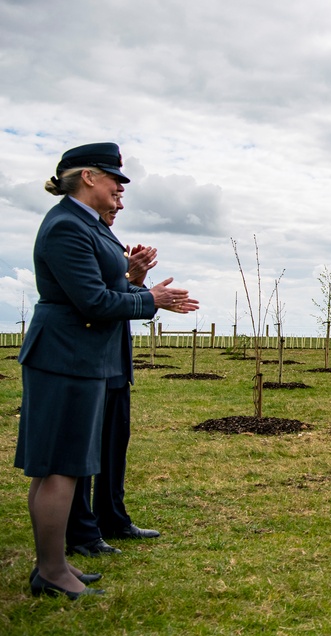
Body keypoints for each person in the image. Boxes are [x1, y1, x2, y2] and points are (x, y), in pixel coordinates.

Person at [16, 142, 198, 599]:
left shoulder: (85, 225)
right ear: (89, 177)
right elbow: (93, 301)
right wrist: (149, 300)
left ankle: (55, 566)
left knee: (63, 467)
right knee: (58, 468)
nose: (120, 187)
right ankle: (52, 571)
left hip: (79, 357)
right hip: (66, 358)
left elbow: (104, 287)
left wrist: (134, 283)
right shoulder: (66, 227)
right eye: (114, 178)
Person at [65, 196, 163, 558]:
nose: (118, 207)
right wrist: (144, 290)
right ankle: (82, 531)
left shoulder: (104, 239)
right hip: (86, 362)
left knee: (112, 445)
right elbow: (95, 299)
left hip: (115, 363)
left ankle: (113, 518)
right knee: (84, 453)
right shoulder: (73, 232)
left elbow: (118, 292)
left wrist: (135, 278)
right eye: (114, 198)